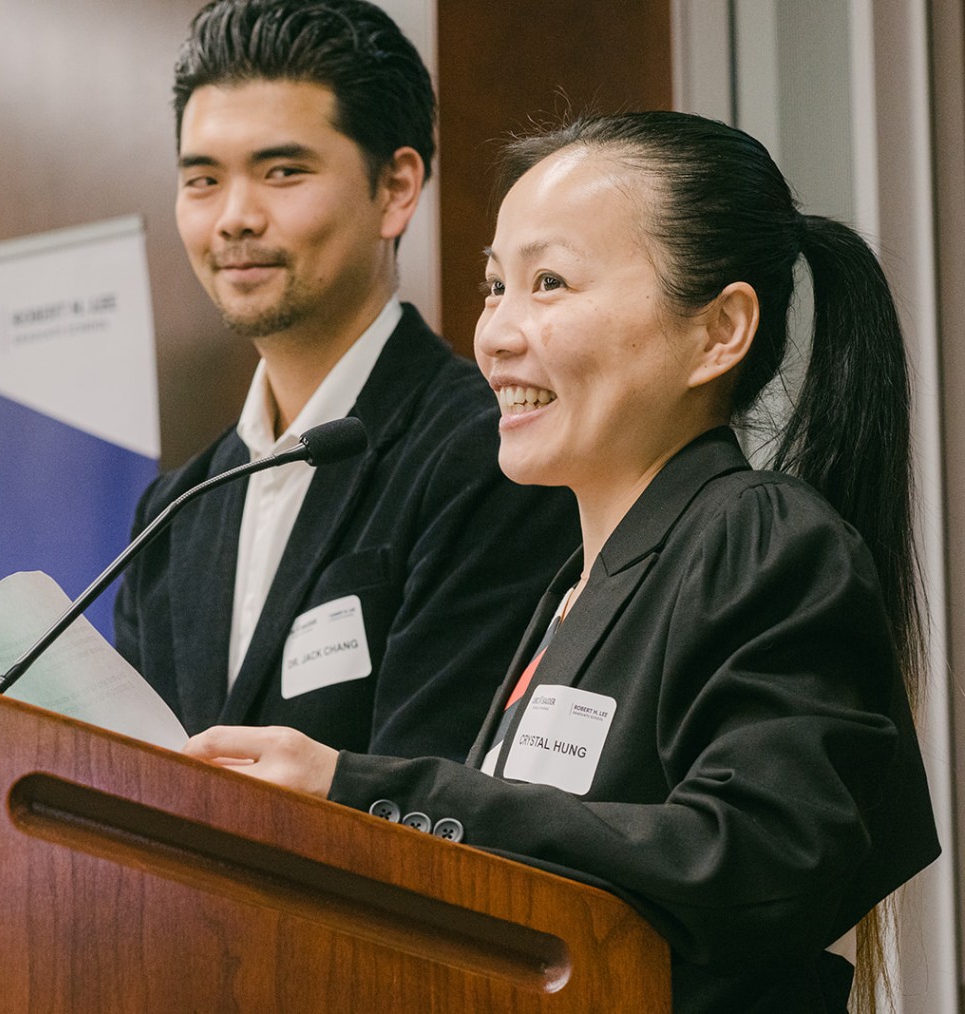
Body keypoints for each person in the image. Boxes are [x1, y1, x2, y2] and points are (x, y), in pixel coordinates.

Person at [182, 110, 940, 1013]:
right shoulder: (571, 588)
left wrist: (359, 789)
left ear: (719, 331)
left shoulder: (761, 535)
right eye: (495, 285)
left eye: (549, 283)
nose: (496, 334)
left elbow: (757, 862)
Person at [113, 0, 578, 763]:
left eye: (282, 172)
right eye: (202, 181)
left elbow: (440, 795)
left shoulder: (491, 453)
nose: (234, 218)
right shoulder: (172, 516)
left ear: (396, 188)